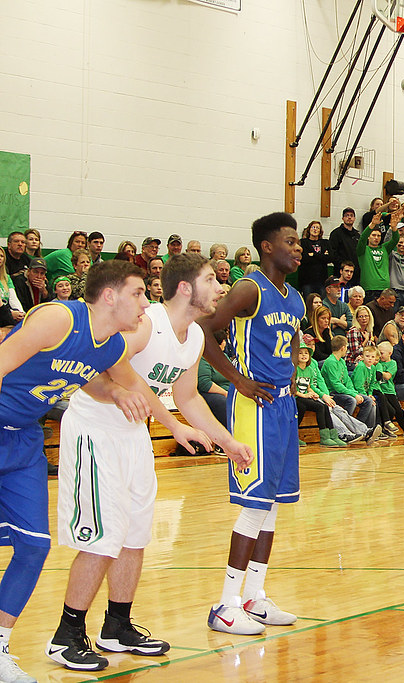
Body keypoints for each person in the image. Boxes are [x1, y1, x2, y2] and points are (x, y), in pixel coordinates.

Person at [47, 255, 252, 672]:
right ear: (184, 288)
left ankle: (116, 625)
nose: (219, 288)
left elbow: (189, 395)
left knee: (135, 535)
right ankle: (66, 635)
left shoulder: (193, 335)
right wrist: (172, 425)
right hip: (95, 428)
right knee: (100, 537)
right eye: (211, 280)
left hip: (133, 434)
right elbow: (110, 370)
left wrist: (226, 439)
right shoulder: (145, 322)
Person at [0, 259, 180, 682]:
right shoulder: (58, 319)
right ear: (109, 295)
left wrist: (117, 392)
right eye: (138, 293)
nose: (146, 302)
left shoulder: (113, 346)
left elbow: (92, 378)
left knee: (33, 547)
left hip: (25, 438)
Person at [198, 212, 306, 637]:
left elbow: (295, 336)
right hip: (252, 407)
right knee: (253, 505)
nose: (299, 248)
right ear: (267, 246)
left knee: (274, 504)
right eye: (291, 241)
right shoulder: (248, 288)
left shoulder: (294, 298)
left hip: (282, 406)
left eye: (300, 243)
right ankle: (224, 604)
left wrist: (294, 372)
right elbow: (204, 332)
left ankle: (254, 596)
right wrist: (238, 380)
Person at [293, 343, 347, 447]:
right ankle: (324, 437)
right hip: (297, 397)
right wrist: (304, 395)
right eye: (300, 353)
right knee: (318, 407)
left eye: (306, 353)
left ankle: (333, 435)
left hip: (305, 397)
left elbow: (309, 387)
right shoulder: (294, 369)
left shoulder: (309, 369)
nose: (303, 355)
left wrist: (313, 394)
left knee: (324, 406)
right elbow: (293, 388)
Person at [322, 335, 377, 432]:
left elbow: (347, 380)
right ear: (343, 348)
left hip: (343, 391)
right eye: (346, 347)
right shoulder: (330, 362)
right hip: (333, 392)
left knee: (368, 401)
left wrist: (355, 392)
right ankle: (350, 429)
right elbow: (336, 385)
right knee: (351, 400)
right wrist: (353, 394)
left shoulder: (341, 361)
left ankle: (360, 428)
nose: (347, 349)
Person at [298, 220, 331, 296]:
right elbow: (304, 259)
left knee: (321, 303)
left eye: (317, 228)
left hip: (322, 281)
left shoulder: (325, 243)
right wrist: (321, 256)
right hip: (307, 281)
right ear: (309, 229)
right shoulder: (303, 242)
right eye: (313, 227)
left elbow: (330, 258)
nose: (315, 229)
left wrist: (313, 254)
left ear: (320, 231)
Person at [330, 207, 362, 283]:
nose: (349, 217)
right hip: (341, 272)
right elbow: (332, 253)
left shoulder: (357, 235)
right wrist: (343, 266)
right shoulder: (336, 233)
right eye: (347, 215)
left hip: (355, 273)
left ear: (354, 218)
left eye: (351, 215)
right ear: (343, 218)